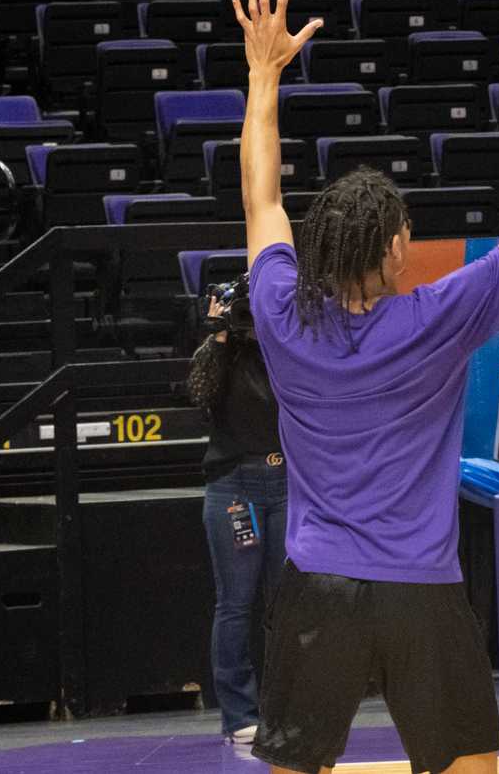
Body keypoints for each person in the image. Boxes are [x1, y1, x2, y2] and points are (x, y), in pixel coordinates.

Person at [237, 0, 499, 774]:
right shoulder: (442, 314)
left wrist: (264, 75)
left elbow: (261, 198)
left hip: (318, 583)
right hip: (422, 588)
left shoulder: (279, 309)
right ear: (397, 248)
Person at [186, 272, 285, 748]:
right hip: (235, 486)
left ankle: (293, 706)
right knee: (236, 603)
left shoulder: (289, 338)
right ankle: (239, 713)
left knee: (290, 602)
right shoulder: (220, 351)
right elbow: (201, 396)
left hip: (288, 481)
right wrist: (220, 333)